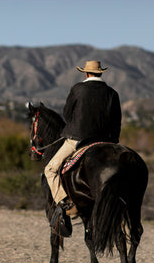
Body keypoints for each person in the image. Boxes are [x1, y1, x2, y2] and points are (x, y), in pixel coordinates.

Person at [44, 60, 122, 219]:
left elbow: (67, 115)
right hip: (106, 141)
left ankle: (66, 203)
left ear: (86, 73)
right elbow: (117, 121)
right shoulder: (112, 93)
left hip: (78, 138)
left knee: (50, 169)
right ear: (101, 73)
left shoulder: (78, 89)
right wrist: (113, 141)